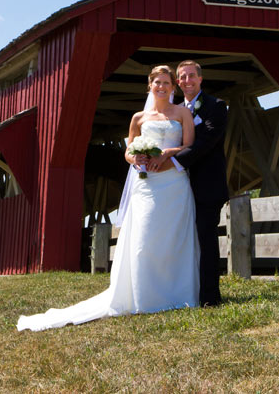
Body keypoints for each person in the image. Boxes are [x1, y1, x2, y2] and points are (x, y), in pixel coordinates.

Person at [17, 65, 200, 331]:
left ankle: (178, 295)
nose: (162, 87)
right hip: (147, 185)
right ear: (149, 86)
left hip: (174, 184)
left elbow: (189, 146)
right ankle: (145, 297)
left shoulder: (182, 113)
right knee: (145, 239)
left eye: (166, 82)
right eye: (157, 82)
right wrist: (135, 157)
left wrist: (168, 152)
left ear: (173, 87)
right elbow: (128, 151)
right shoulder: (138, 117)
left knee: (174, 238)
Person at [170, 60, 229, 306]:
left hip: (207, 185)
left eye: (191, 76)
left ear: (200, 79)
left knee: (205, 240)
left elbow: (205, 142)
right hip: (176, 188)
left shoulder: (216, 106)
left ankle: (209, 297)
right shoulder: (173, 110)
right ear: (177, 82)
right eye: (182, 77)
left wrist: (169, 162)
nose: (187, 81)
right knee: (180, 240)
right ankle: (182, 293)